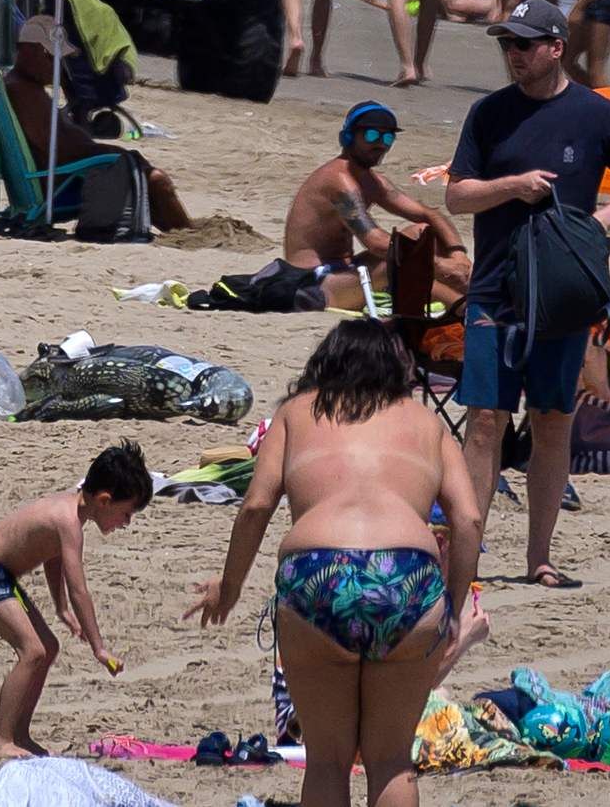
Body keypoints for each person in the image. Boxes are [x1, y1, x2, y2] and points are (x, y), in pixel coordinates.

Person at [188, 321, 482, 807]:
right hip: (405, 576)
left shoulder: (295, 413)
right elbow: (467, 518)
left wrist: (231, 586)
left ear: (324, 363)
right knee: (390, 759)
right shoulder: (426, 422)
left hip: (316, 577)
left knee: (327, 760)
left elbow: (257, 506)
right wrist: (449, 607)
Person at [443, 0, 610, 589]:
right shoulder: (489, 113)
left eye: (524, 43)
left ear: (556, 47)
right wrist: (511, 186)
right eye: (506, 44)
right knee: (484, 420)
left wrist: (602, 221)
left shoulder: (593, 113)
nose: (512, 53)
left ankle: (539, 557)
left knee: (552, 421)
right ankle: (469, 551)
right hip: (493, 290)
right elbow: (457, 196)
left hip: (561, 296)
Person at [0, 443, 152, 761]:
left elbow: (52, 558)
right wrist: (98, 647)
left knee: (47, 648)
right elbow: (80, 589)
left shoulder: (73, 510)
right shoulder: (68, 522)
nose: (126, 523)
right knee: (32, 650)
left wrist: (60, 608)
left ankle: (19, 735)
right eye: (126, 513)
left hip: (0, 576)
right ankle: (0, 740)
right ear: (105, 500)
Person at [276, 103, 465, 312]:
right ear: (348, 137)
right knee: (397, 263)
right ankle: (463, 306)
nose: (380, 145)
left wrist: (458, 254)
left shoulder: (371, 181)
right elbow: (377, 243)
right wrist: (439, 265)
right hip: (313, 283)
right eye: (372, 135)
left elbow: (429, 214)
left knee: (424, 232)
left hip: (346, 271)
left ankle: (471, 295)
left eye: (387, 138)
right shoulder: (338, 181)